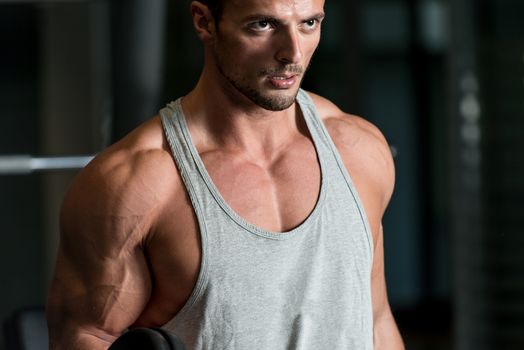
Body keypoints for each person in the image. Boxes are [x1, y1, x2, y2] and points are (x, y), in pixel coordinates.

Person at [46, 0, 404, 349]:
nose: (292, 53)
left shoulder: (358, 151)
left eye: (309, 23)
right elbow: (86, 335)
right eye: (263, 25)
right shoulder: (135, 182)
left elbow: (376, 321)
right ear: (204, 21)